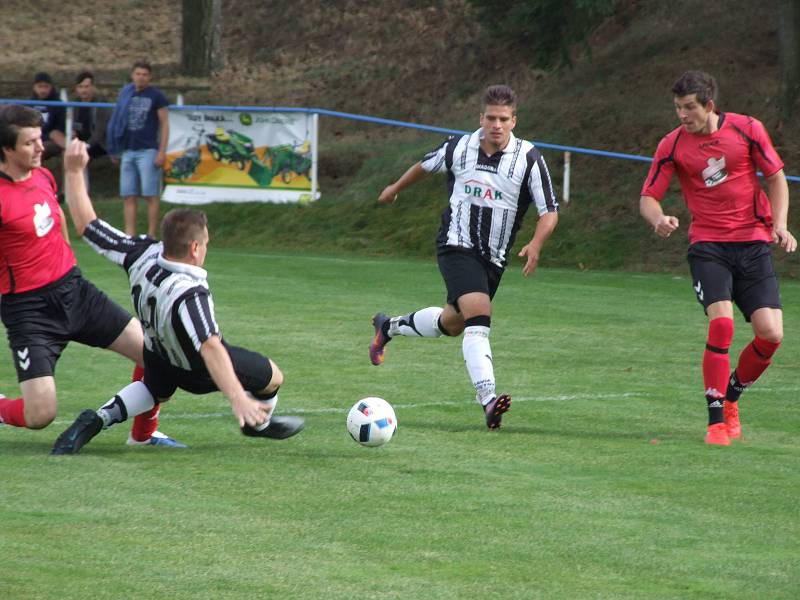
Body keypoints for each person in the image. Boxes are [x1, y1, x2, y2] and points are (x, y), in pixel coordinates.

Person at [51, 140, 304, 454]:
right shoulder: (188, 292)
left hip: (157, 353)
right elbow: (210, 347)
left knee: (155, 390)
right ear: (195, 248)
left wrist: (74, 172)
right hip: (195, 371)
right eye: (206, 243)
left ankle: (99, 418)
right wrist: (238, 397)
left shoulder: (141, 253)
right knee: (273, 376)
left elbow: (87, 225)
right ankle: (257, 424)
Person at [369, 84, 559, 429]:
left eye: (503, 118)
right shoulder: (459, 147)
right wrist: (395, 189)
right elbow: (424, 166)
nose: (496, 125)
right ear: (481, 118)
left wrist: (536, 243)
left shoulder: (529, 158)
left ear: (514, 120)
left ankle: (389, 326)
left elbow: (550, 212)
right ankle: (488, 400)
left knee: (453, 323)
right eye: (491, 118)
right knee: (479, 314)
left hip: (494, 257)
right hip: (456, 244)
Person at [0, 105, 182, 447]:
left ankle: (142, 436)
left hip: (75, 291)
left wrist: (66, 260)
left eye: (40, 139)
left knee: (157, 356)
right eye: (29, 143)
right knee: (40, 414)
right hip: (29, 311)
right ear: (7, 150)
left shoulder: (42, 175)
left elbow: (58, 219)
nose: (41, 148)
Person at [639, 70, 796, 446]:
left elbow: (775, 176)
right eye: (677, 107)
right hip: (708, 246)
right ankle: (714, 422)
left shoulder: (747, 129)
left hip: (753, 243)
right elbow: (648, 197)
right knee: (722, 324)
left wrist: (781, 224)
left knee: (771, 334)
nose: (681, 115)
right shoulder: (673, 144)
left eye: (689, 107)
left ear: (709, 105)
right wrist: (658, 218)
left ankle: (732, 397)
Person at [107, 60, 169, 238]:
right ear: (132, 75)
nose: (141, 78)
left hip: (148, 150)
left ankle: (151, 234)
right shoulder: (126, 94)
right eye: (138, 74)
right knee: (128, 195)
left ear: (149, 77)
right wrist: (115, 148)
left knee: (150, 195)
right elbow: (117, 121)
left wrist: (162, 150)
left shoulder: (157, 96)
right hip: (128, 149)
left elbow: (165, 123)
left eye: (144, 74)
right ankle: (130, 235)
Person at [72, 70, 111, 160]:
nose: (83, 90)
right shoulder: (75, 104)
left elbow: (99, 133)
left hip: (99, 144)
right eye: (80, 87)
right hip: (80, 143)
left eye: (86, 87)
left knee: (80, 155)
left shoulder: (100, 104)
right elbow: (74, 126)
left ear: (92, 87)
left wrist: (85, 146)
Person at [29, 72, 66, 160]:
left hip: (52, 141)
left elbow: (61, 128)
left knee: (41, 149)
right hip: (33, 138)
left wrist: (52, 135)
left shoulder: (59, 104)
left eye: (46, 87)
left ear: (51, 87)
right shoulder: (29, 104)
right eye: (40, 86)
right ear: (34, 87)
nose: (43, 90)